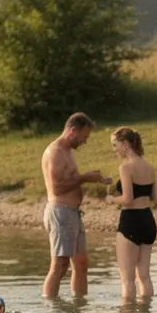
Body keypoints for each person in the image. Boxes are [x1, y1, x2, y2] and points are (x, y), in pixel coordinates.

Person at [41, 112, 112, 298]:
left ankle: (79, 306)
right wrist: (85, 178)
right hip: (61, 212)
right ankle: (51, 307)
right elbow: (56, 188)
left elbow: (71, 179)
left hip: (73, 213)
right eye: (84, 136)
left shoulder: (67, 151)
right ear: (73, 131)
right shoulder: (55, 152)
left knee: (81, 263)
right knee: (60, 265)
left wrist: (94, 178)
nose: (85, 141)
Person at [110, 126, 157, 300]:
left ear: (125, 143)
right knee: (144, 276)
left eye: (115, 145)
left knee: (127, 279)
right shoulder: (149, 167)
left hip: (131, 221)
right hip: (148, 220)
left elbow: (127, 198)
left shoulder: (126, 168)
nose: (114, 149)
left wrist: (111, 199)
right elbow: (154, 196)